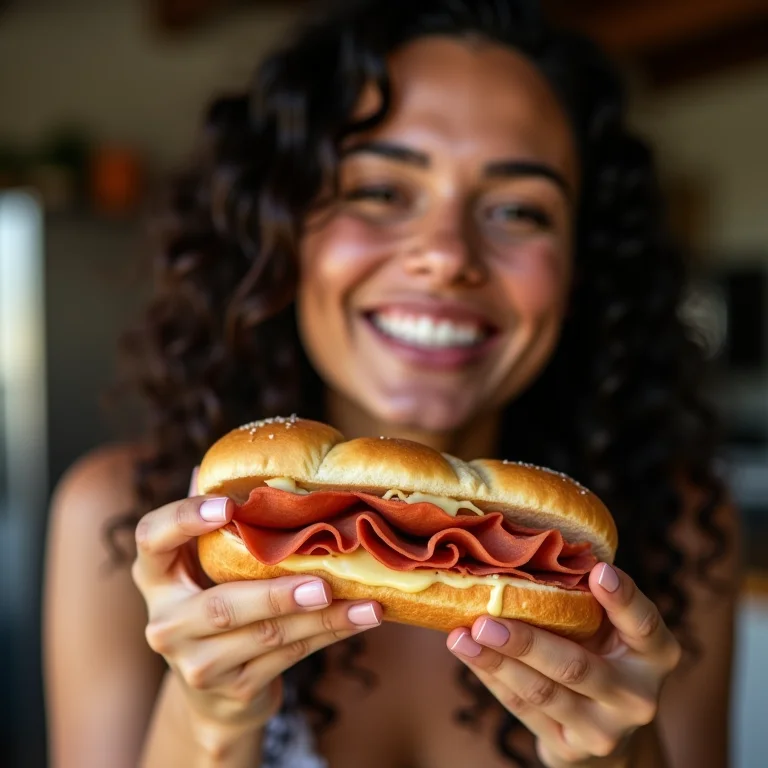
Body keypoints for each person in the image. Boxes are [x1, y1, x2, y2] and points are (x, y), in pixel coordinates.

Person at [42, 1, 738, 766]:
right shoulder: (120, 516)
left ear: (583, 269)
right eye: (380, 191)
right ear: (281, 230)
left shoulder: (684, 531)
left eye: (517, 209)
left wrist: (621, 759)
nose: (445, 254)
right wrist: (209, 719)